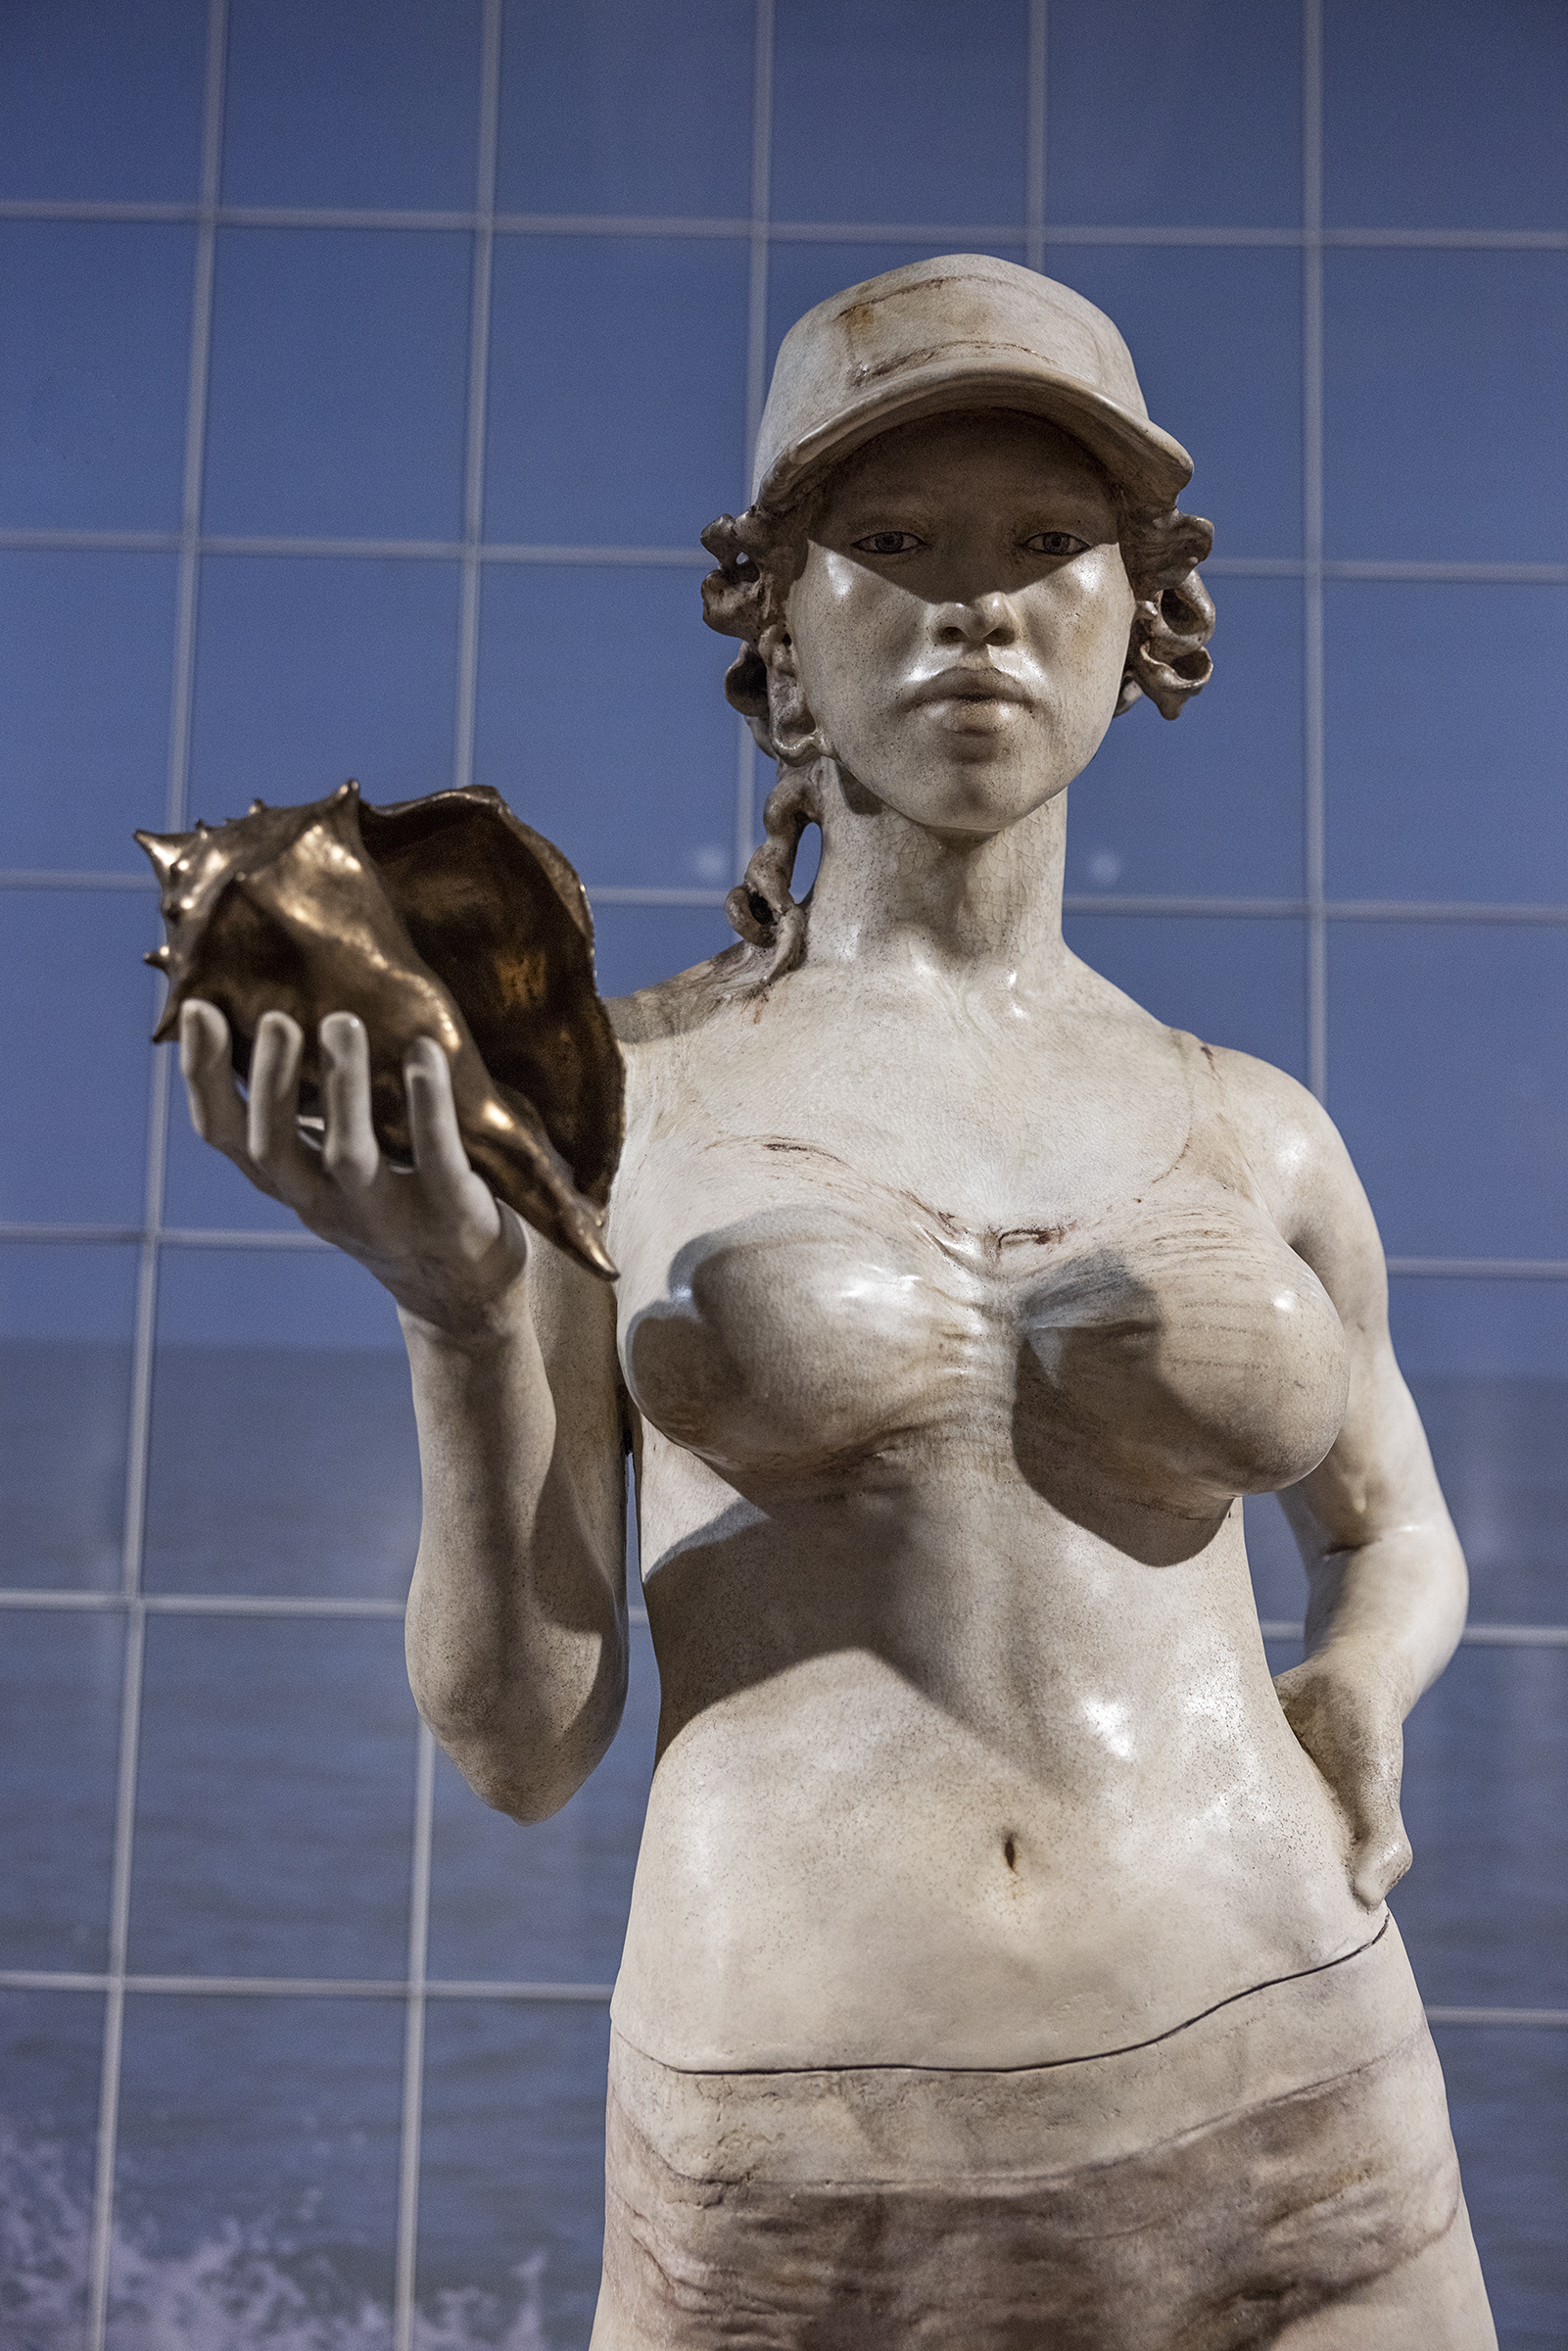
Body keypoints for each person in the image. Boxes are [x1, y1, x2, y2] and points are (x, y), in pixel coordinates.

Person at [177, 256, 1496, 2347]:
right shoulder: (620, 1104)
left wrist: (1357, 1684)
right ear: (778, 630)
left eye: (1045, 543)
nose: (979, 605)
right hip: (800, 2170)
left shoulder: (1259, 1130)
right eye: (894, 542)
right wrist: (458, 1320)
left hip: (1306, 2103)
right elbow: (526, 1744)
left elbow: (1393, 1526)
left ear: (1140, 620)